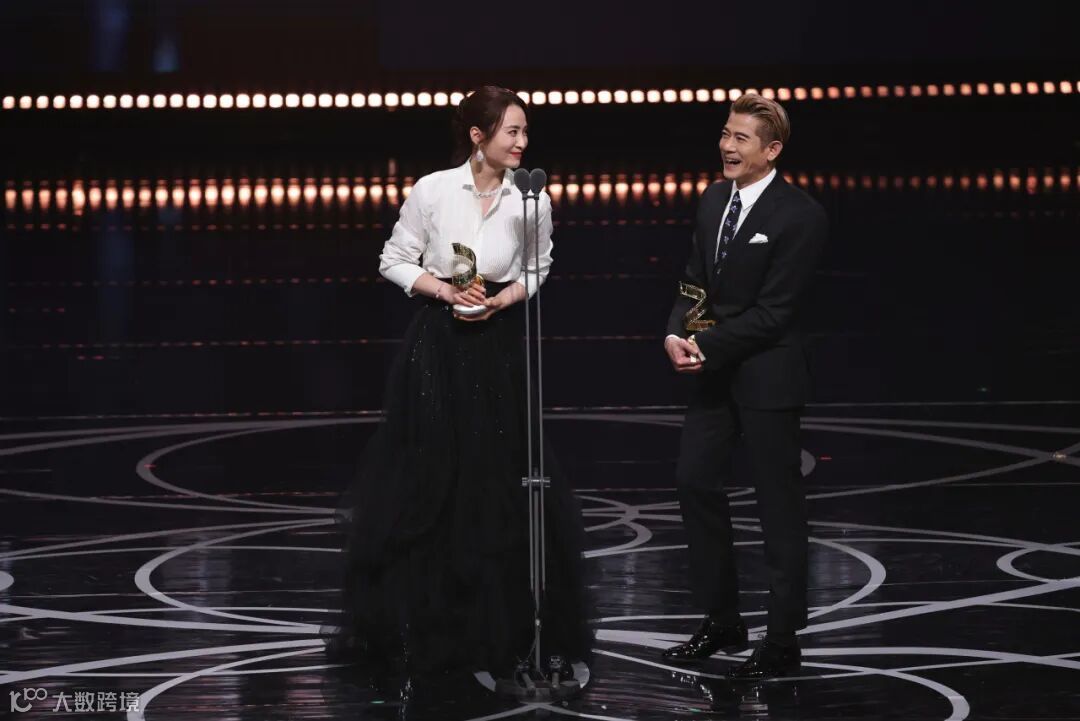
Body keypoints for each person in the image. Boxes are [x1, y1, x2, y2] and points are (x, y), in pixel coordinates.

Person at [330, 86, 591, 680]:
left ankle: (505, 621)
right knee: (436, 480)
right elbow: (394, 259)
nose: (522, 142)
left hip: (497, 348)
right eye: (511, 131)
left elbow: (539, 266)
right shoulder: (433, 190)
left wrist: (505, 298)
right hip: (439, 349)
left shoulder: (531, 199)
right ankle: (431, 620)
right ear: (479, 136)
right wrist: (445, 291)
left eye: (525, 132)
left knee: (500, 480)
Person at [661, 93, 828, 680]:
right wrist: (676, 333)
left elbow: (774, 313)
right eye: (725, 134)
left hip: (768, 376)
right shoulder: (713, 199)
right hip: (715, 372)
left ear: (772, 149)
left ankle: (782, 638)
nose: (727, 146)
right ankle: (722, 619)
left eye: (741, 138)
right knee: (693, 481)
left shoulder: (800, 215)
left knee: (778, 506)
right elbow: (693, 281)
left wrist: (706, 346)